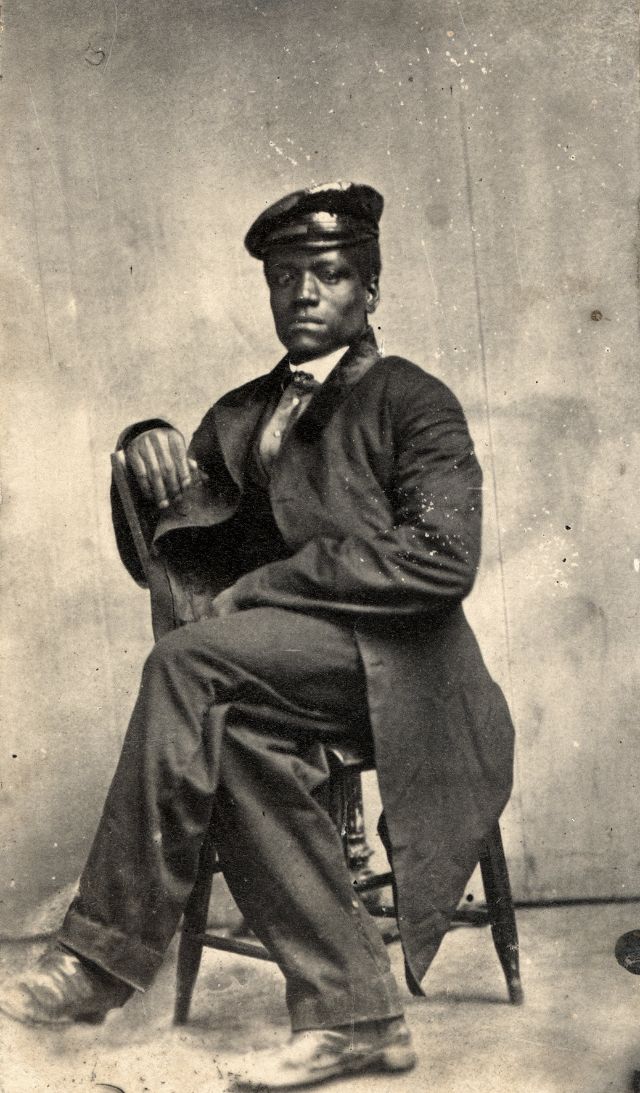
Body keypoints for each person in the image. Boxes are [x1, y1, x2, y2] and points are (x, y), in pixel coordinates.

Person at [0, 182, 514, 1088]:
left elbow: (441, 560)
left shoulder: (413, 400)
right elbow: (179, 548)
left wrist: (271, 585)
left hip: (399, 664)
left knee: (187, 665)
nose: (305, 294)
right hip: (284, 667)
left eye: (329, 274)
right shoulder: (242, 413)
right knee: (223, 725)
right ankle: (357, 1014)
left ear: (369, 290)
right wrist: (144, 444)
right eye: (286, 278)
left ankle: (101, 956)